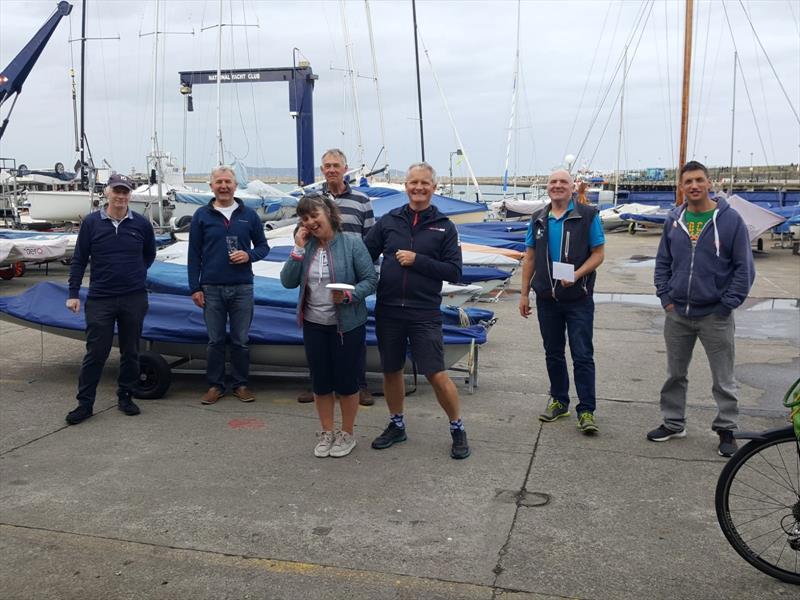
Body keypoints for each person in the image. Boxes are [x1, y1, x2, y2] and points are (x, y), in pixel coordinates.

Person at [364, 162, 470, 459]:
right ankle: (397, 424)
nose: (418, 188)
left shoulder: (445, 227)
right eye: (413, 183)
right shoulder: (388, 221)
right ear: (406, 186)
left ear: (434, 188)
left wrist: (417, 260)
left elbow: (455, 271)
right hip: (389, 309)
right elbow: (363, 254)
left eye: (425, 183)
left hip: (424, 311)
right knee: (391, 370)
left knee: (435, 373)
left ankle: (457, 427)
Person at [648, 160, 755, 457]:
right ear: (681, 187)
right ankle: (673, 422)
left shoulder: (730, 220)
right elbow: (663, 263)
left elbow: (744, 268)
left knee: (723, 376)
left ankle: (727, 429)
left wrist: (727, 304)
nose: (693, 186)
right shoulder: (673, 220)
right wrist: (666, 298)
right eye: (687, 182)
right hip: (678, 313)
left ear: (709, 183)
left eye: (698, 180)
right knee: (674, 373)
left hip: (715, 315)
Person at [280, 193, 378, 457]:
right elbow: (287, 282)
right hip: (314, 324)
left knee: (347, 382)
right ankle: (327, 432)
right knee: (320, 383)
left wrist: (350, 295)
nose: (310, 222)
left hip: (347, 325)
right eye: (305, 218)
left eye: (314, 216)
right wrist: (298, 249)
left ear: (329, 214)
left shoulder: (353, 243)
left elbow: (370, 280)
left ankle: (347, 434)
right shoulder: (307, 246)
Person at [65, 173, 156, 425]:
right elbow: (79, 260)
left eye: (125, 192)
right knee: (96, 352)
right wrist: (73, 293)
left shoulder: (141, 224)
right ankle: (85, 404)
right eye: (117, 191)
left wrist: (133, 274)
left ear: (130, 195)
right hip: (101, 299)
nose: (121, 196)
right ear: (107, 192)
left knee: (131, 351)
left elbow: (148, 255)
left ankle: (126, 396)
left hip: (134, 297)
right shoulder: (92, 223)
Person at [518, 169, 605, 435]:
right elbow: (530, 258)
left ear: (572, 187)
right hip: (547, 299)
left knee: (582, 355)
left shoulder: (588, 215)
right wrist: (524, 294)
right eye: (553, 182)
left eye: (563, 182)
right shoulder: (538, 219)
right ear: (547, 187)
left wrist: (577, 275)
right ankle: (559, 400)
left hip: (578, 299)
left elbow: (598, 254)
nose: (557, 186)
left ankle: (587, 409)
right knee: (553, 352)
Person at [297, 148, 377, 406]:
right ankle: (320, 385)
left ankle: (358, 384)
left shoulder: (362, 200)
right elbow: (301, 231)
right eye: (327, 166)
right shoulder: (312, 201)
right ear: (322, 171)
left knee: (353, 332)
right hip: (320, 270)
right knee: (318, 332)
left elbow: (371, 239)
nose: (331, 169)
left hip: (352, 270)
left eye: (336, 165)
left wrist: (369, 276)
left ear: (345, 168)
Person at [187, 165, 269, 405]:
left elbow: (264, 247)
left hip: (242, 287)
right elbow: (194, 255)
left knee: (241, 340)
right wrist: (195, 287)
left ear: (235, 185)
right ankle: (215, 385)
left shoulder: (249, 215)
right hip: (211, 288)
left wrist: (248, 255)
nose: (224, 186)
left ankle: (241, 384)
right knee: (215, 340)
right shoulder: (201, 215)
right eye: (219, 182)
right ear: (211, 186)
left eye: (228, 182)